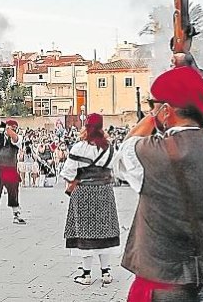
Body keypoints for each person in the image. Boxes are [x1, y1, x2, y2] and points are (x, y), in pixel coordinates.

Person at [117, 64, 203, 302]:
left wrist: (154, 115)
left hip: (160, 287)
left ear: (167, 110)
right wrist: (196, 80)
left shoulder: (150, 153)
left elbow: (126, 147)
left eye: (153, 104)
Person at [61, 113, 120, 286]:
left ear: (85, 127)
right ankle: (106, 272)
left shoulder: (79, 147)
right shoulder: (109, 148)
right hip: (104, 191)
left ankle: (86, 274)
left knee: (85, 231)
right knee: (104, 230)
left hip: (84, 192)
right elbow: (116, 170)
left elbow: (68, 172)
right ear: (102, 128)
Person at [0, 112, 26, 225]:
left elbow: (12, 135)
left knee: (13, 191)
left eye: (14, 128)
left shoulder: (18, 137)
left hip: (9, 168)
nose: (12, 129)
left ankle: (16, 215)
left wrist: (6, 127)